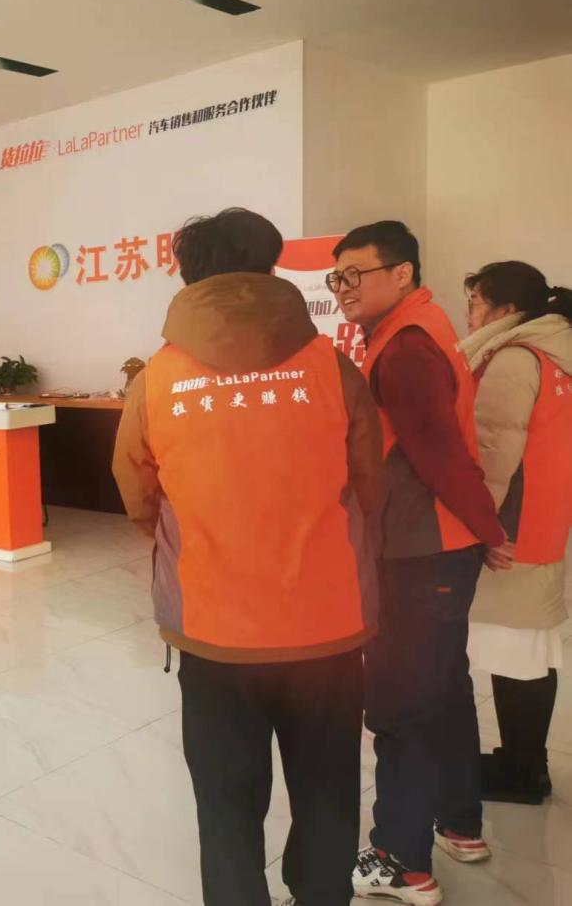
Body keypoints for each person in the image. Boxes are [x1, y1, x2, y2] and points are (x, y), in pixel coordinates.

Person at [113, 207, 383, 906]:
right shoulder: (331, 366)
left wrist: (191, 537)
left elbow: (137, 491)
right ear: (268, 267)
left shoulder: (157, 378)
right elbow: (368, 483)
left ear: (187, 276)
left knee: (226, 801)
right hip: (326, 624)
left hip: (213, 628)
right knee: (327, 791)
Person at [332, 221, 510, 905]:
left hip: (418, 550)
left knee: (401, 704)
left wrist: (487, 527)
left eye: (356, 274)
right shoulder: (415, 328)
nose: (343, 288)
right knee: (443, 687)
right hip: (435, 548)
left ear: (402, 272)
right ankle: (459, 824)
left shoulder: (405, 346)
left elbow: (438, 451)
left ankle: (401, 861)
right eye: (337, 277)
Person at [460, 262, 572, 805]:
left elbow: (494, 452)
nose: (469, 315)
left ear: (507, 310)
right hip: (543, 519)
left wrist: (481, 525)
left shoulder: (514, 358)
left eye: (476, 302)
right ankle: (525, 762)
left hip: (511, 528)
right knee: (528, 645)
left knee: (515, 650)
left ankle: (522, 771)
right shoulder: (555, 354)